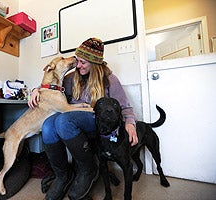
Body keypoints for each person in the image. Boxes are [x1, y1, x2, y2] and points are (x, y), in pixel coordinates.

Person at [28, 38, 138, 200]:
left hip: (94, 119)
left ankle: (88, 170)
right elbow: (51, 83)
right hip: (71, 115)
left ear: (95, 63)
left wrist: (130, 123)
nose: (77, 65)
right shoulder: (72, 77)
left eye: (83, 62)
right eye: (77, 61)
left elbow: (124, 106)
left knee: (63, 121)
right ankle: (62, 176)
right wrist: (36, 90)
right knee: (48, 125)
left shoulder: (109, 79)